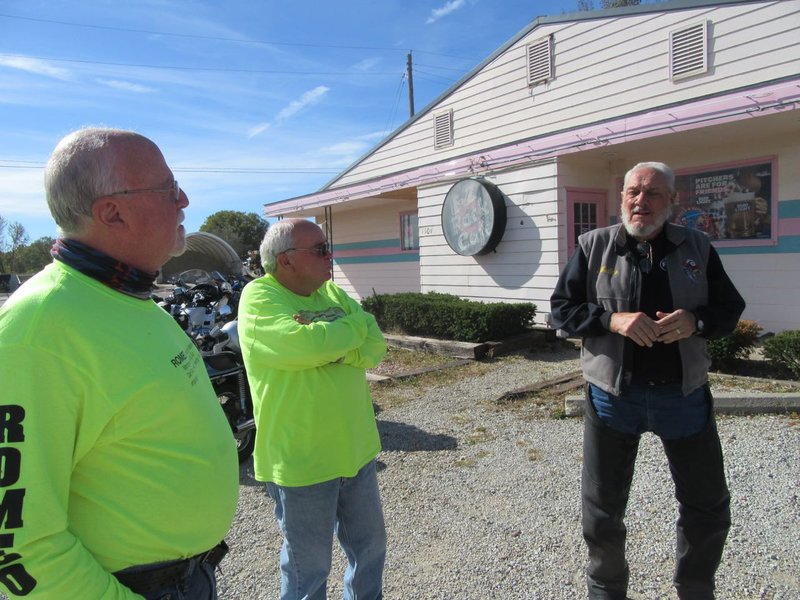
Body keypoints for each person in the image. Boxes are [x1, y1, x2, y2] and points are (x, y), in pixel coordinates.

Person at [0, 128, 239, 599]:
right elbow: (16, 546)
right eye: (169, 188)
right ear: (112, 212)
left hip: (191, 578)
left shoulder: (129, 298)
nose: (184, 199)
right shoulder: (36, 330)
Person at [550, 161, 746, 600]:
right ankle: (606, 592)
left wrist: (695, 322)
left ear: (673, 201)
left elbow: (729, 309)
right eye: (633, 192)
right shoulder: (592, 246)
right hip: (614, 398)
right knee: (602, 514)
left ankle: (695, 589)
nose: (641, 201)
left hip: (683, 396)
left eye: (653, 193)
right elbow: (561, 311)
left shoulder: (697, 246)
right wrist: (610, 319)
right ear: (621, 198)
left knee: (707, 508)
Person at [238, 218, 387, 600]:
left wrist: (331, 345)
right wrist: (345, 337)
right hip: (301, 464)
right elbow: (303, 346)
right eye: (320, 249)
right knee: (309, 572)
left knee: (369, 553)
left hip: (356, 453)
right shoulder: (260, 297)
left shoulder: (332, 294)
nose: (329, 255)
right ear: (285, 260)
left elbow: (376, 345)